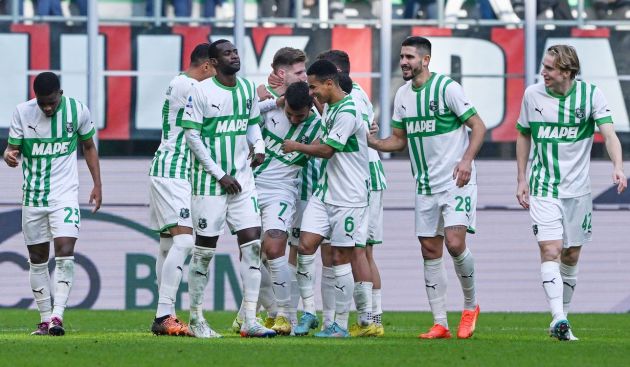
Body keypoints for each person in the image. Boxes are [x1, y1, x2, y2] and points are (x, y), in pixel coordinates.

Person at [368, 36, 486, 339]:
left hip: (455, 180)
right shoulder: (403, 95)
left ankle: (471, 306)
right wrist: (373, 142)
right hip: (424, 185)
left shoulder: (447, 88)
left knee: (455, 243)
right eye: (402, 56)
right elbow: (398, 140)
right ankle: (440, 322)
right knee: (429, 249)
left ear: (425, 60)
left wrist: (466, 161)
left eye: (409, 57)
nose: (404, 62)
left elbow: (478, 126)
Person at [515, 45, 626, 341]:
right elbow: (524, 135)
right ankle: (559, 317)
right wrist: (521, 178)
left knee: (571, 254)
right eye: (544, 66)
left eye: (549, 68)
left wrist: (617, 165)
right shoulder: (532, 95)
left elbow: (609, 133)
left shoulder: (591, 95)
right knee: (550, 249)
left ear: (567, 72)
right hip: (543, 187)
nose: (543, 73)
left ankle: (560, 322)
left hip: (578, 191)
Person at [180, 39, 276, 338]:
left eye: (235, 51)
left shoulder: (247, 89)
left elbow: (251, 123)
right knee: (204, 252)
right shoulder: (200, 91)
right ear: (214, 62)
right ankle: (196, 319)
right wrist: (219, 174)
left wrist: (258, 146)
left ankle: (249, 318)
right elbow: (192, 137)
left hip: (243, 182)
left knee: (253, 246)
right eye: (227, 53)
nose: (234, 56)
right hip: (211, 184)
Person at [4, 72, 102, 336]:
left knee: (65, 248)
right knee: (37, 258)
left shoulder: (77, 110)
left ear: (60, 93)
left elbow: (88, 146)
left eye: (51, 102)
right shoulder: (22, 113)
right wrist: (8, 156)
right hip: (33, 196)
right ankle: (45, 318)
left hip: (64, 194)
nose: (47, 107)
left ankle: (57, 316)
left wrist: (97, 184)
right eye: (42, 102)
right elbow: (12, 149)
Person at [282, 59, 371, 338]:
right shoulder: (331, 107)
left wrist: (296, 146)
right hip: (326, 191)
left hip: (349, 196)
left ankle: (340, 325)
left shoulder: (349, 110)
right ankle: (309, 311)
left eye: (314, 86)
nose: (311, 93)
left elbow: (328, 150)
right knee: (305, 245)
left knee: (339, 256)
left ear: (329, 83)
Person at [316, 49, 387, 337]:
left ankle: (370, 320)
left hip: (361, 177)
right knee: (361, 250)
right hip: (360, 176)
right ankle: (372, 319)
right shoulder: (355, 95)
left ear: (335, 76)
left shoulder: (351, 98)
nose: (318, 85)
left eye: (322, 78)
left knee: (358, 250)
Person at [149, 43, 217, 338]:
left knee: (167, 244)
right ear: (206, 67)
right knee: (185, 241)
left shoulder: (181, 82)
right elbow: (221, 105)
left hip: (172, 170)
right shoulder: (188, 85)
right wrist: (262, 97)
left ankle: (164, 314)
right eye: (216, 70)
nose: (218, 77)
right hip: (171, 171)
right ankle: (164, 313)